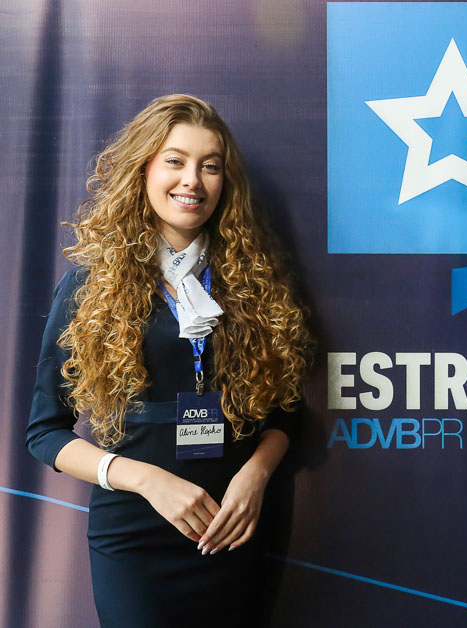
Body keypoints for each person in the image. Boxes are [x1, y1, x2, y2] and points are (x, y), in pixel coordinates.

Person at [26, 94, 311, 627]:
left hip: (231, 529)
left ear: (226, 182)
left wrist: (255, 476)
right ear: (144, 170)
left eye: (210, 166)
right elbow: (45, 434)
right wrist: (148, 481)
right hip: (133, 539)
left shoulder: (254, 283)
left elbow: (286, 414)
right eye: (175, 161)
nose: (192, 181)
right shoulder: (91, 286)